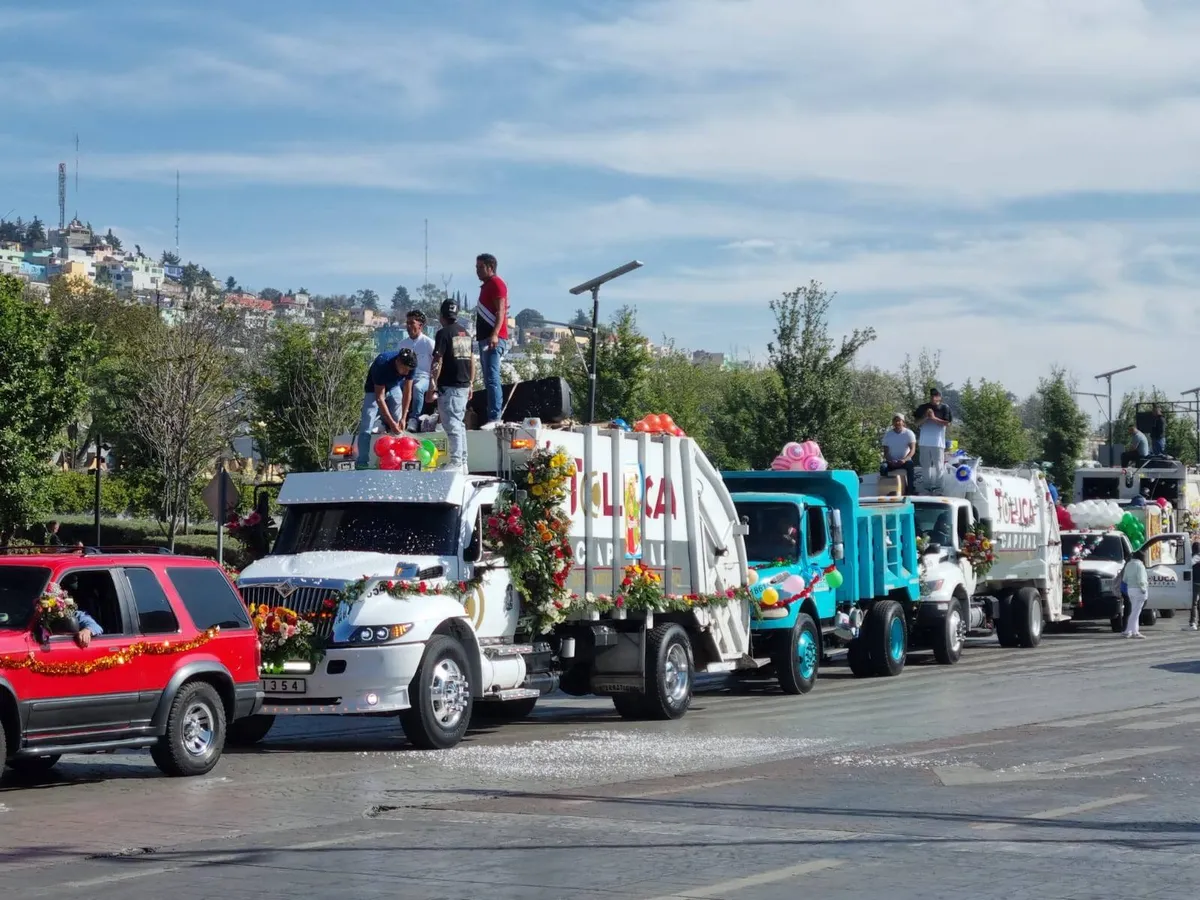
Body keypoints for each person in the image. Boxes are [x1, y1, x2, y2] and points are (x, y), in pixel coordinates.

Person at [429, 298, 475, 471]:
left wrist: (432, 385)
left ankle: (456, 461)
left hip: (449, 386)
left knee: (452, 424)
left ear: (442, 316)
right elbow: (472, 361)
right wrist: (471, 383)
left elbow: (437, 361)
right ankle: (462, 462)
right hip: (463, 385)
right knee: (459, 423)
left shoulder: (443, 334)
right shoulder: (465, 334)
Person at [356, 347, 417, 467]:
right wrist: (391, 422)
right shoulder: (382, 363)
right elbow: (380, 398)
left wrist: (403, 418)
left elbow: (407, 393)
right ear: (398, 362)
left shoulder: (411, 366)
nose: (406, 373)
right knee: (367, 423)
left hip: (394, 386)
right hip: (373, 390)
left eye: (408, 370)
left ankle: (400, 457)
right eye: (404, 369)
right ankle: (362, 461)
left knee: (398, 421)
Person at [474, 252, 508, 424]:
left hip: (493, 339)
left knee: (493, 378)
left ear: (491, 267)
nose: (477, 271)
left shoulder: (496, 283)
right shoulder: (486, 286)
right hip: (484, 339)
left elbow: (501, 310)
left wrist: (494, 334)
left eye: (481, 267)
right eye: (476, 267)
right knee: (488, 378)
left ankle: (495, 417)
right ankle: (491, 415)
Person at [398, 309, 435, 429]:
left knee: (418, 388)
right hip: (405, 377)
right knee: (392, 389)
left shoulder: (429, 343)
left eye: (411, 323)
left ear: (420, 325)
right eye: (407, 323)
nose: (408, 326)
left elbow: (436, 364)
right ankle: (388, 420)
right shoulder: (402, 344)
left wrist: (434, 383)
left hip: (424, 377)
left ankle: (414, 418)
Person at [912, 388, 952, 491]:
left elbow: (947, 423)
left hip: (938, 442)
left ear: (940, 397)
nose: (934, 397)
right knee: (925, 466)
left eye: (936, 395)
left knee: (939, 466)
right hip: (924, 442)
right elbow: (916, 423)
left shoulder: (944, 408)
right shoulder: (923, 407)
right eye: (932, 395)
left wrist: (933, 418)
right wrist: (926, 417)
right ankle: (927, 487)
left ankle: (939, 488)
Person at [880, 414, 917, 495]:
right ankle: (887, 490)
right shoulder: (888, 435)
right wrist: (890, 461)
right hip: (891, 462)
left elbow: (913, 450)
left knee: (910, 465)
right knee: (883, 467)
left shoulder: (909, 433)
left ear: (903, 422)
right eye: (895, 421)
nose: (897, 423)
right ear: (893, 423)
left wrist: (904, 460)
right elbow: (885, 452)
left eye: (899, 421)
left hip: (904, 461)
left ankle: (910, 490)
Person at [1121, 549, 1149, 639]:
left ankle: (1130, 630)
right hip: (1138, 589)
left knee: (1134, 610)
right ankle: (1133, 631)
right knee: (1136, 612)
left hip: (1130, 589)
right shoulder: (1140, 565)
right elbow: (1141, 579)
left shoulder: (1128, 564)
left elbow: (1124, 579)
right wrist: (1144, 589)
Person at [1190, 540, 1200, 631]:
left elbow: (1189, 564)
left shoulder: (1196, 556)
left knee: (1194, 603)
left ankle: (1193, 623)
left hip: (1196, 582)